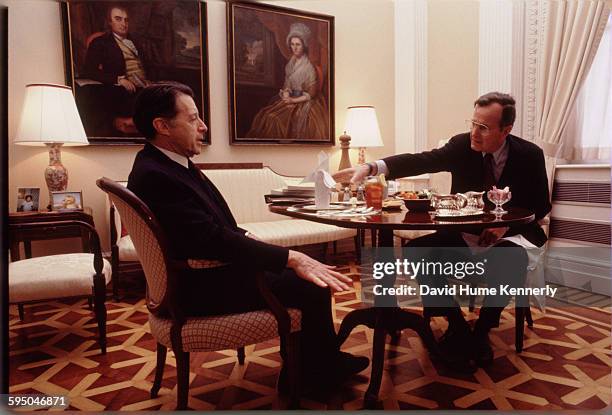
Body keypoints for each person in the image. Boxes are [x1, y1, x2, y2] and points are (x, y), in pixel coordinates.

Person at [127, 82, 369, 392]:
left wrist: (260, 246)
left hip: (201, 275)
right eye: (192, 119)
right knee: (311, 283)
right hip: (198, 288)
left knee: (304, 272)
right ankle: (316, 373)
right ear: (162, 126)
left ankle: (310, 361)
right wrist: (291, 257)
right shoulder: (157, 175)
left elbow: (209, 230)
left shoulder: (164, 166)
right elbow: (209, 240)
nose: (202, 127)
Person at [334, 92, 552, 371]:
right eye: (473, 123)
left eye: (483, 127)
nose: (474, 132)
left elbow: (540, 204)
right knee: (417, 250)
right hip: (465, 232)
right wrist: (370, 166)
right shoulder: (462, 145)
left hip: (512, 234)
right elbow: (421, 160)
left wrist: (504, 226)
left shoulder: (529, 154)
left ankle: (483, 330)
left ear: (505, 130)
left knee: (511, 258)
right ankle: (456, 323)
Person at [247, 22, 328, 140]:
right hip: (290, 99)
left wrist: (292, 100)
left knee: (276, 120)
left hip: (304, 102)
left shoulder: (309, 67)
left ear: (304, 46)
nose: (294, 47)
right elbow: (287, 85)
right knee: (266, 115)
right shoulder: (290, 64)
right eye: (292, 44)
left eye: (298, 44)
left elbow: (311, 94)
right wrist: (286, 92)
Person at [83, 4, 149, 134]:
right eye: (118, 19)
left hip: (144, 87)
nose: (123, 23)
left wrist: (149, 81)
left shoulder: (136, 41)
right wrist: (118, 80)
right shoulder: (100, 42)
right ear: (109, 22)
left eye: (126, 20)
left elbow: (146, 66)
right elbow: (89, 71)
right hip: (122, 91)